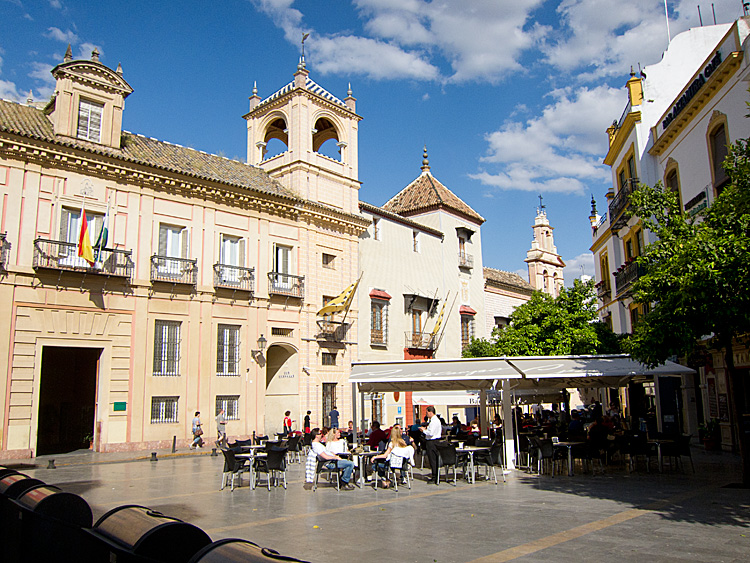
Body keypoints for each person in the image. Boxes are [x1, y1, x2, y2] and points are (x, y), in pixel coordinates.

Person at [419, 406, 442, 484]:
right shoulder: (435, 420)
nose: (426, 414)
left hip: (432, 441)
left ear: (430, 412)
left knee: (433, 460)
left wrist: (424, 430)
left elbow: (431, 433)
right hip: (435, 441)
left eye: (426, 412)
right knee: (434, 459)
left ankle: (434, 477)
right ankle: (435, 475)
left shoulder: (434, 421)